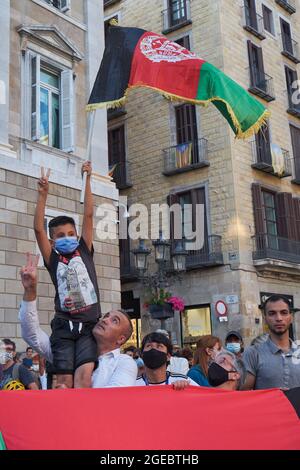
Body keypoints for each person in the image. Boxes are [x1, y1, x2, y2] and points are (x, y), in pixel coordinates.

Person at [19, 253, 137, 388]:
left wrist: (73, 396)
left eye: (114, 321)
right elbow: (31, 334)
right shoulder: (69, 351)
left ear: (121, 339)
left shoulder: (124, 363)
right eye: (106, 316)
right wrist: (30, 290)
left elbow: (114, 397)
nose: (105, 320)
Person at [34, 163, 101, 388]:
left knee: (84, 376)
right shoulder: (52, 259)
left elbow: (89, 215)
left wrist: (88, 179)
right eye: (61, 235)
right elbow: (38, 230)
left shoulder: (83, 249)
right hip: (63, 325)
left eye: (71, 233)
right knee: (62, 380)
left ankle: (83, 418)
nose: (67, 237)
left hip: (89, 326)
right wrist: (43, 195)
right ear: (53, 241)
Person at [243, 295, 300, 390]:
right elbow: (245, 394)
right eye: (272, 313)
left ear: (291, 317)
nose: (278, 318)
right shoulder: (253, 353)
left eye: (284, 313)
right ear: (265, 318)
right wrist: (272, 395)